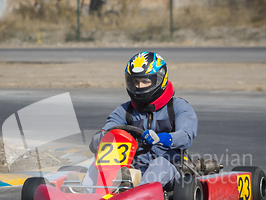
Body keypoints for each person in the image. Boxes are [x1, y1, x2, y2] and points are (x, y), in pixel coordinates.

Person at [82, 51, 198, 191]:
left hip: (170, 168)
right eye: (135, 82)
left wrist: (163, 138)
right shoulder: (125, 110)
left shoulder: (178, 107)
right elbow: (109, 129)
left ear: (159, 80)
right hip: (132, 167)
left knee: (159, 164)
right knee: (98, 162)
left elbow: (186, 135)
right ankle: (84, 196)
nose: (139, 86)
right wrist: (100, 138)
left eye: (145, 81)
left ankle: (137, 197)